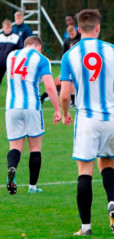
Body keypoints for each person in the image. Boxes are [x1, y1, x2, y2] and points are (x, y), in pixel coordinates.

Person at [60, 9, 114, 236]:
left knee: (85, 172)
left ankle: (86, 227)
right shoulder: (113, 50)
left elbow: (64, 94)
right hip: (110, 117)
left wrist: (64, 113)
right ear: (98, 28)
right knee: (108, 165)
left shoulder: (70, 54)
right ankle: (112, 203)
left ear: (78, 29)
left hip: (87, 119)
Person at [5, 36, 61, 195]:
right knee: (35, 147)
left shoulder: (11, 56)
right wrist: (57, 109)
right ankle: (32, 187)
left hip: (12, 106)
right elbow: (50, 86)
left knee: (15, 146)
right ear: (39, 47)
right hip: (32, 106)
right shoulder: (42, 59)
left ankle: (12, 169)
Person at [0, 19, 23, 84]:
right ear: (3, 28)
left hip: (11, 63)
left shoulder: (16, 38)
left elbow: (20, 50)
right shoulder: (0, 37)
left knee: (12, 81)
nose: (8, 29)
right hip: (0, 63)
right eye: (7, 28)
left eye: (10, 28)